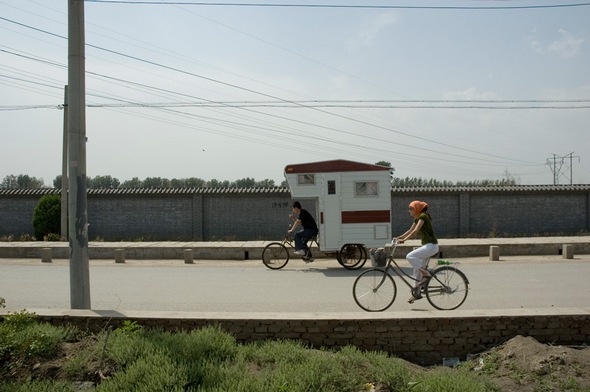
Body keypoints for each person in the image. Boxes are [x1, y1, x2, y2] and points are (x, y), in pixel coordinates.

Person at [396, 200, 439, 303]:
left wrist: (404, 240)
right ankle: (417, 293)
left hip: (431, 246)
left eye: (411, 209)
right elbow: (410, 230)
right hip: (427, 246)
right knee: (416, 270)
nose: (409, 211)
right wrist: (399, 238)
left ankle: (427, 274)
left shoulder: (423, 216)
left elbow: (415, 231)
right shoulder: (417, 218)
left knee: (410, 257)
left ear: (417, 209)